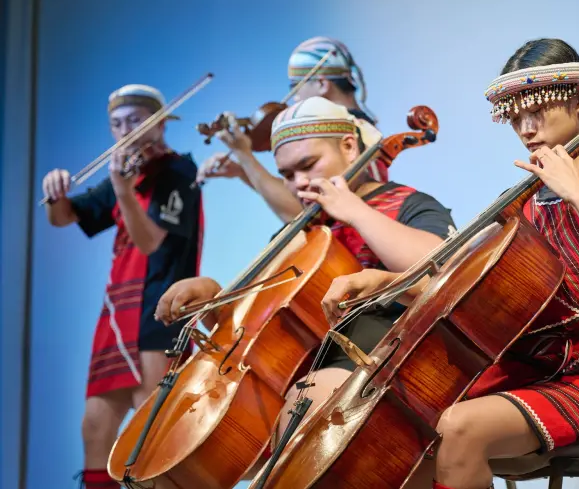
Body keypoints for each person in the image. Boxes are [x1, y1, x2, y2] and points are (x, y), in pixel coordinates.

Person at [321, 38, 579, 489]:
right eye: (514, 117)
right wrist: (385, 282)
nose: (526, 128)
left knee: (459, 427)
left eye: (538, 108)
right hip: (527, 370)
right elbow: (473, 298)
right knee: (398, 420)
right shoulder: (526, 205)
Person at [155, 96, 455, 470]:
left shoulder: (407, 203)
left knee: (307, 406)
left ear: (349, 146)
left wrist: (355, 211)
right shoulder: (299, 233)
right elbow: (260, 327)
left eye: (308, 165)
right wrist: (213, 298)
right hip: (307, 374)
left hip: (394, 367)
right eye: (287, 174)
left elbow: (444, 271)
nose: (299, 183)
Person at [41, 84, 204, 489]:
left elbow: (152, 242)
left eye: (135, 121)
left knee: (154, 429)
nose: (125, 131)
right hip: (117, 314)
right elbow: (63, 218)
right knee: (96, 426)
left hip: (158, 311)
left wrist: (123, 192)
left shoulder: (180, 172)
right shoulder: (124, 174)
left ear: (161, 123)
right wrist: (55, 191)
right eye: (117, 124)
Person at [196, 36, 388, 223]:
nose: (294, 99)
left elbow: (304, 215)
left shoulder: (354, 131)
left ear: (321, 84)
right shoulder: (354, 128)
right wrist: (244, 171)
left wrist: (244, 155)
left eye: (296, 88)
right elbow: (300, 198)